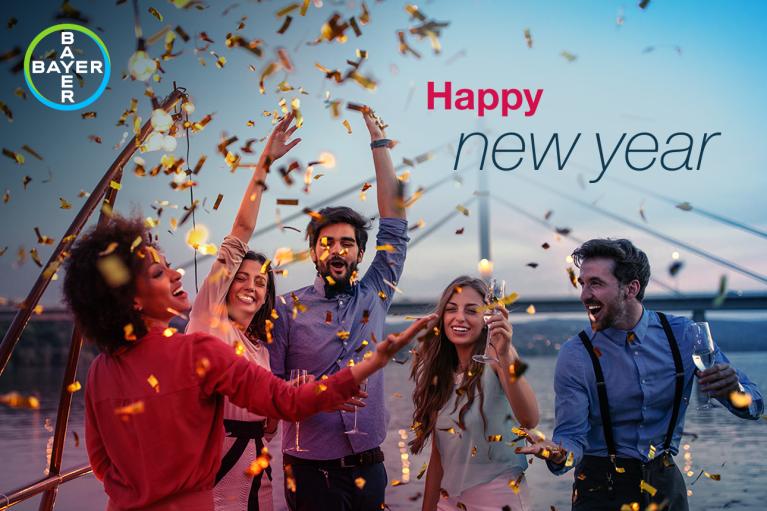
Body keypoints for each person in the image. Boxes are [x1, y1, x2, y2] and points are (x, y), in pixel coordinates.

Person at [62, 215, 432, 511]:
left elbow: (101, 464)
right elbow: (286, 401)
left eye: (260, 281)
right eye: (158, 273)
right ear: (131, 299)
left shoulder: (99, 370)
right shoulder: (202, 342)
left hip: (244, 476)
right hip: (212, 491)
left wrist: (140, 492)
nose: (176, 274)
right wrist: (371, 363)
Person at [518, 238, 764, 511]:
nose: (584, 294)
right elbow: (572, 440)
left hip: (666, 487)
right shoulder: (576, 354)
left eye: (596, 283)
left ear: (631, 288)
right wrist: (557, 453)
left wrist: (734, 391)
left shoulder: (684, 335)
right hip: (600, 490)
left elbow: (754, 406)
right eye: (583, 283)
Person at [267, 108, 406, 511]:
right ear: (313, 252)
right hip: (310, 471)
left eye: (347, 243)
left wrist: (379, 144)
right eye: (326, 243)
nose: (336, 250)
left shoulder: (376, 293)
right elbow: (271, 392)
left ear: (361, 253)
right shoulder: (285, 309)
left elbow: (394, 222)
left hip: (370, 467)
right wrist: (318, 394)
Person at [185, 113, 299, 511]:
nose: (252, 286)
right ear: (226, 283)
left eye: (261, 281)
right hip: (213, 481)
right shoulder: (208, 323)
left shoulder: (262, 351)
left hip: (257, 478)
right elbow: (242, 231)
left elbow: (267, 424)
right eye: (243, 277)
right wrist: (265, 162)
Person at [410, 276, 540, 511]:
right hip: (447, 502)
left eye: (472, 310)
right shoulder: (440, 373)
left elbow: (530, 419)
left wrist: (506, 353)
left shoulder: (500, 358)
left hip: (499, 500)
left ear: (486, 319)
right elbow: (439, 458)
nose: (459, 317)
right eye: (451, 309)